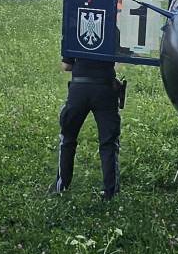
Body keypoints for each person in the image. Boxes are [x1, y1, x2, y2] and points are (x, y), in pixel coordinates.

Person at [53, 55, 125, 200]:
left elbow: (66, 66)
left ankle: (61, 186)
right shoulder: (113, 31)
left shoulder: (73, 32)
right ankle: (110, 193)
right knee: (109, 143)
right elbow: (121, 57)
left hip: (79, 89)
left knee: (67, 138)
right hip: (105, 89)